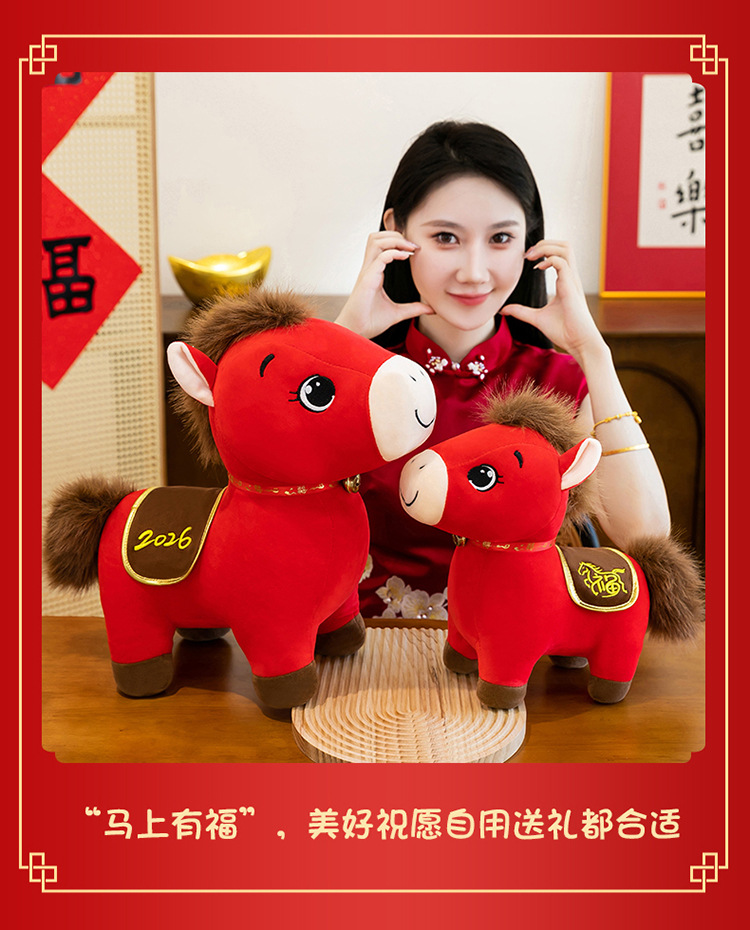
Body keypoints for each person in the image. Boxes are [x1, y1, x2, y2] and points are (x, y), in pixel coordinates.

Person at [335, 120, 671, 620]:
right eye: (446, 237)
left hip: (517, 648)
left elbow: (644, 533)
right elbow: (264, 496)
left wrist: (592, 352)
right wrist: (343, 337)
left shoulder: (557, 382)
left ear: (529, 242)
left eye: (500, 238)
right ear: (395, 232)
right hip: (365, 647)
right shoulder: (357, 373)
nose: (474, 272)